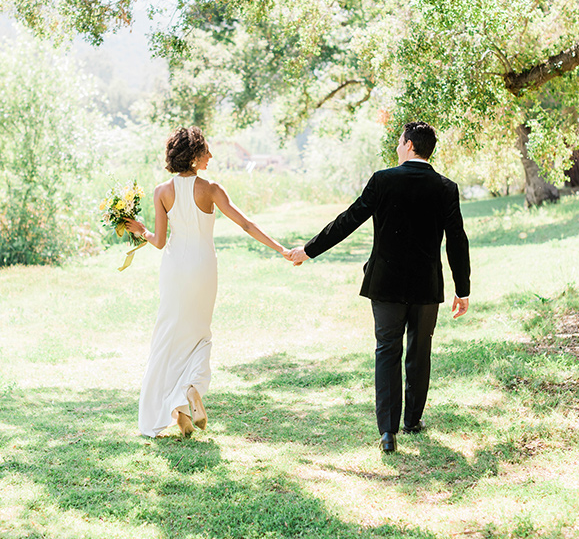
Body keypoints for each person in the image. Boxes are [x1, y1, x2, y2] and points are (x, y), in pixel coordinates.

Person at [285, 121, 470, 453]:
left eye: (401, 142)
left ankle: (388, 432)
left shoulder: (383, 180)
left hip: (385, 283)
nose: (398, 147)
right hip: (427, 285)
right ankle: (412, 419)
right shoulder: (446, 187)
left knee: (387, 350)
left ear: (410, 145)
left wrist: (308, 251)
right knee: (419, 349)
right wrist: (463, 288)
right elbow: (457, 239)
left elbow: (349, 219)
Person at [124, 126, 289, 438]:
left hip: (174, 269)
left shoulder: (162, 192)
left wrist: (141, 230)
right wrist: (280, 248)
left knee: (169, 336)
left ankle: (176, 405)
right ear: (194, 156)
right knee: (200, 335)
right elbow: (246, 224)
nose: (211, 156)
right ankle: (188, 396)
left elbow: (158, 242)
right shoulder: (212, 189)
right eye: (207, 152)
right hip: (203, 268)